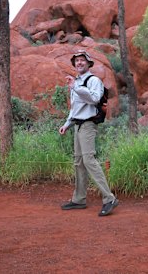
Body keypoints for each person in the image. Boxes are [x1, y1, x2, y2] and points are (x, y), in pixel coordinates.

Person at [59, 50, 119, 217]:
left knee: (88, 160)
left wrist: (76, 87)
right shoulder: (76, 82)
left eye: (82, 61)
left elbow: (94, 99)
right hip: (77, 125)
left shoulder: (93, 81)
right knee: (78, 162)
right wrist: (67, 124)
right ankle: (79, 199)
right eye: (77, 61)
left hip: (88, 125)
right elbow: (75, 108)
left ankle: (109, 198)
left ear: (89, 64)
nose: (79, 63)